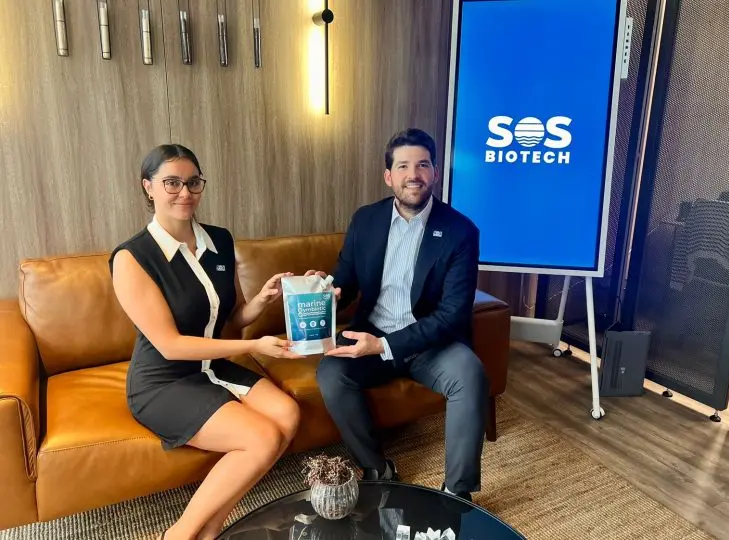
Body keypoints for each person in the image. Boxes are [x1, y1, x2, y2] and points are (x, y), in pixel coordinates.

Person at [109, 144, 302, 540]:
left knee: (287, 414)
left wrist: (262, 300)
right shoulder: (132, 257)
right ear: (149, 187)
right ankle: (178, 534)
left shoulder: (219, 240)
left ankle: (211, 528)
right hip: (163, 381)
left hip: (211, 368)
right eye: (172, 183)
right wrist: (253, 347)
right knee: (262, 437)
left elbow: (233, 318)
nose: (185, 192)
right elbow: (171, 346)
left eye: (193, 182)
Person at [310, 128, 488, 502]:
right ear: (388, 176)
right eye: (403, 166)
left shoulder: (461, 232)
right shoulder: (366, 220)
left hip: (431, 343)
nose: (414, 175)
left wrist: (385, 346)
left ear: (435, 172)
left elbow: (453, 315)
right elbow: (346, 281)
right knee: (331, 373)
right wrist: (325, 290)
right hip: (371, 333)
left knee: (469, 373)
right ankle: (377, 469)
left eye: (422, 165)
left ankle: (457, 492)